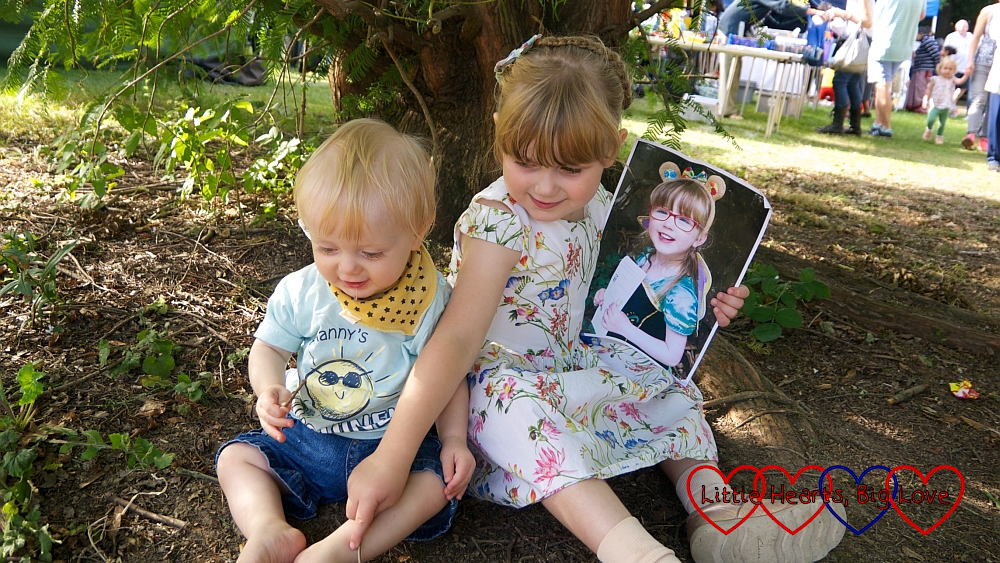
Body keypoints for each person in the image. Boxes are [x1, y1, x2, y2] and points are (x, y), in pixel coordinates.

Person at [346, 35, 847, 563]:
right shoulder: (499, 221)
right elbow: (459, 337)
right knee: (518, 411)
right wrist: (392, 456)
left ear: (613, 149)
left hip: (575, 364)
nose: (544, 186)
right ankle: (634, 551)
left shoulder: (607, 210)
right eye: (526, 160)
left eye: (570, 169)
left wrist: (710, 304)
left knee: (670, 391)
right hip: (494, 388)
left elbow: (656, 287)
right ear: (498, 132)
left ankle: (719, 517)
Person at [214, 119, 474, 563]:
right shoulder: (304, 290)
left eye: (371, 253)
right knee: (237, 458)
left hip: (394, 445)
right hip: (309, 434)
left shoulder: (428, 301)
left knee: (436, 483)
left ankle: (345, 547)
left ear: (418, 232)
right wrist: (268, 387)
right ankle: (268, 528)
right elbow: (270, 347)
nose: (348, 268)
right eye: (328, 248)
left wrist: (453, 439)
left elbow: (447, 377)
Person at [594, 177, 720, 369]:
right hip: (609, 355)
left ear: (700, 238)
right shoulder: (646, 257)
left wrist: (624, 328)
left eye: (684, 220)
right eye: (662, 211)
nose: (668, 224)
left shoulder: (680, 294)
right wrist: (609, 295)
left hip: (639, 373)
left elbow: (671, 356)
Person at [815, 0, 874, 135]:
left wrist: (842, 14)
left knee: (840, 80)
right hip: (858, 40)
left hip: (858, 41)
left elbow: (867, 22)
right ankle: (854, 126)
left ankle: (838, 124)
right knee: (852, 83)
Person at [868, 0, 925, 137]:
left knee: (882, 87)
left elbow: (875, 19)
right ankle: (878, 124)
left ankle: (886, 127)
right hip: (904, 46)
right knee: (882, 87)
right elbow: (921, 15)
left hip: (884, 44)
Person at [965, 1, 999, 153]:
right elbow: (976, 37)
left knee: (993, 101)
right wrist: (970, 60)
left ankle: (985, 137)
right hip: (982, 61)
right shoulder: (988, 11)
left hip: (997, 64)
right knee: (979, 98)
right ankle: (971, 134)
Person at [922, 56, 968, 143]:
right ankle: (929, 128)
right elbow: (929, 89)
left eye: (950, 69)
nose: (947, 71)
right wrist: (925, 99)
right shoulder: (935, 79)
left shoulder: (952, 79)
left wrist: (966, 75)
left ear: (954, 70)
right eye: (945, 68)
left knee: (942, 122)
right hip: (935, 104)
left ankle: (939, 136)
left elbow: (960, 81)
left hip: (946, 104)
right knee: (931, 119)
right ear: (940, 68)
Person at [905, 27, 941, 113]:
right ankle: (913, 105)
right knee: (916, 86)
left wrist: (938, 65)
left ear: (921, 34)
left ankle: (919, 106)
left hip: (924, 68)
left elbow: (935, 54)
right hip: (920, 68)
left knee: (920, 87)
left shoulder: (928, 41)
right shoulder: (925, 42)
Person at [943, 19, 973, 107]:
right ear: (956, 27)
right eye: (961, 26)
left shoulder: (971, 36)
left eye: (965, 26)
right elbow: (945, 51)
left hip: (966, 67)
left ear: (967, 27)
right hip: (952, 66)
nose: (963, 28)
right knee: (950, 86)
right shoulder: (951, 36)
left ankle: (952, 101)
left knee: (964, 87)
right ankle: (947, 103)